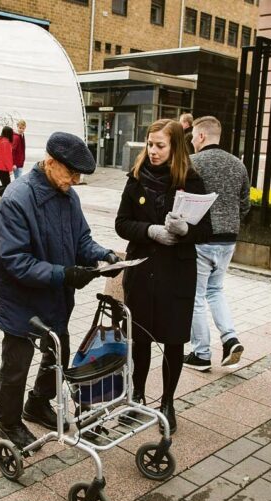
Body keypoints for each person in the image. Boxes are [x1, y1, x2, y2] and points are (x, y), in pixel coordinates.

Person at [0, 132, 120, 449]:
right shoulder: (16, 199)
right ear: (50, 162)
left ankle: (37, 402)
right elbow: (16, 261)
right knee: (16, 363)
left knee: (57, 350)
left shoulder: (68, 196)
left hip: (54, 296)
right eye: (70, 172)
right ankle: (7, 423)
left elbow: (81, 240)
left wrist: (104, 255)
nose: (75, 180)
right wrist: (65, 274)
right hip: (19, 300)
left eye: (79, 175)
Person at [115, 118, 211, 434]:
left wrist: (186, 231)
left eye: (160, 146)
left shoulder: (191, 181)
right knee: (139, 338)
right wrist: (150, 231)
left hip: (176, 275)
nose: (153, 151)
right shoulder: (136, 177)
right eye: (150, 144)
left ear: (175, 148)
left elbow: (206, 229)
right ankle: (137, 395)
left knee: (173, 340)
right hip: (142, 270)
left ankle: (168, 402)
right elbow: (121, 223)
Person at [184, 116, 250, 372]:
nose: (191, 141)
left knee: (197, 295)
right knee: (216, 290)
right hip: (229, 239)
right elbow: (245, 204)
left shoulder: (192, 163)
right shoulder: (238, 165)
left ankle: (201, 354)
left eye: (193, 137)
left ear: (201, 136)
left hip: (202, 239)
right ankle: (230, 338)